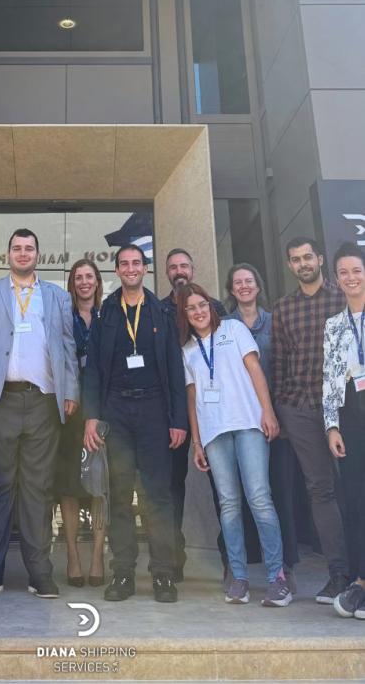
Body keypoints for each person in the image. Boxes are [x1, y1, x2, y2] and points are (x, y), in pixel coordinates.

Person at [0, 228, 79, 599]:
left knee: (37, 490)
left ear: (38, 254)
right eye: (17, 248)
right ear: (7, 254)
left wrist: (70, 391)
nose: (23, 254)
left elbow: (68, 347)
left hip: (43, 401)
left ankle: (40, 572)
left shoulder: (56, 297)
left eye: (29, 249)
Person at [83, 245, 187, 604]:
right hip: (117, 413)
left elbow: (175, 369)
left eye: (136, 264)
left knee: (158, 495)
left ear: (145, 269)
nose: (130, 269)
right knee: (120, 495)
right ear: (116, 270)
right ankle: (123, 572)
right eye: (124, 264)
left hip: (156, 411)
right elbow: (93, 369)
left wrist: (178, 421)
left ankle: (163, 574)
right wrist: (91, 417)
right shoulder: (107, 313)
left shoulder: (161, 311)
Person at [180, 283, 292, 608]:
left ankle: (277, 578)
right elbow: (191, 398)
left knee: (259, 498)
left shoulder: (233, 328)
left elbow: (255, 369)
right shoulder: (186, 349)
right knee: (229, 504)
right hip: (215, 433)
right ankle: (239, 578)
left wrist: (267, 411)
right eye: (191, 308)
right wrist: (197, 442)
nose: (198, 311)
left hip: (248, 424)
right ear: (185, 315)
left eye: (202, 305)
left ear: (210, 306)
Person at [271, 236, 348, 604]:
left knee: (353, 486)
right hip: (300, 409)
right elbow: (280, 363)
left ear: (320, 258)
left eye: (307, 257)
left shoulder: (342, 297)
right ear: (289, 265)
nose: (302, 264)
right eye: (295, 259)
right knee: (320, 490)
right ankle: (338, 573)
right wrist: (281, 407)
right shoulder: (283, 308)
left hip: (346, 407)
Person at [225, 263, 299, 591]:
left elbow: (284, 364)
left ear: (258, 286)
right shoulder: (225, 326)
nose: (243, 286)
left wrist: (277, 410)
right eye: (237, 282)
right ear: (231, 290)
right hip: (240, 418)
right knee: (237, 495)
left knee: (276, 491)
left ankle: (285, 566)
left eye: (249, 281)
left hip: (274, 417)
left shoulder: (275, 321)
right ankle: (236, 567)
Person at [160, 247, 227, 581]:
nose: (179, 271)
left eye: (184, 265)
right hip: (172, 411)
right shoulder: (157, 310)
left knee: (222, 484)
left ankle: (232, 559)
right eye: (173, 267)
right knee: (172, 485)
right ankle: (173, 557)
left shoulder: (214, 307)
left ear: (193, 269)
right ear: (167, 273)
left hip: (213, 408)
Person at [55, 259, 105, 587]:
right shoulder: (62, 317)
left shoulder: (111, 315)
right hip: (68, 408)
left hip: (102, 407)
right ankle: (73, 555)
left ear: (98, 282)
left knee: (101, 484)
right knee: (69, 484)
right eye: (78, 278)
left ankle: (99, 556)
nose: (84, 282)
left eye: (89, 277)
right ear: (72, 285)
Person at [323, 242, 365, 620]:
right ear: (336, 280)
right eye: (344, 273)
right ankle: (360, 579)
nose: (351, 278)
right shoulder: (334, 326)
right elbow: (330, 380)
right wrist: (332, 426)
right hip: (351, 415)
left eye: (357, 270)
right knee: (355, 499)